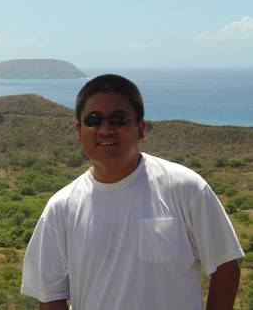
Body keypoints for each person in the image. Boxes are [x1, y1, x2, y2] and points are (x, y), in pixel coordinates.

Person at [21, 74, 244, 310]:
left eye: (118, 119)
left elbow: (225, 267)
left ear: (140, 128)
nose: (105, 129)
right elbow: (49, 295)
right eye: (93, 120)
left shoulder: (186, 188)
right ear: (79, 130)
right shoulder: (61, 208)